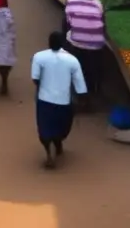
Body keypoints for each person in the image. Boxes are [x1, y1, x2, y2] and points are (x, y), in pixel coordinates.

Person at [31, 31, 87, 169]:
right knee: (62, 127)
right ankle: (58, 144)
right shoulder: (72, 60)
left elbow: (35, 78)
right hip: (64, 101)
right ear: (63, 43)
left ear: (49, 43)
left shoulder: (39, 57)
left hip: (45, 100)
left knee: (44, 129)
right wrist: (81, 100)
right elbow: (80, 85)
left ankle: (49, 153)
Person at [64, 0, 105, 95]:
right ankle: (94, 87)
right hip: (96, 45)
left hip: (76, 41)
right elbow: (103, 23)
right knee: (93, 65)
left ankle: (76, 87)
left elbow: (67, 23)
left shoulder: (72, 0)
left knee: (68, 36)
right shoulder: (98, 4)